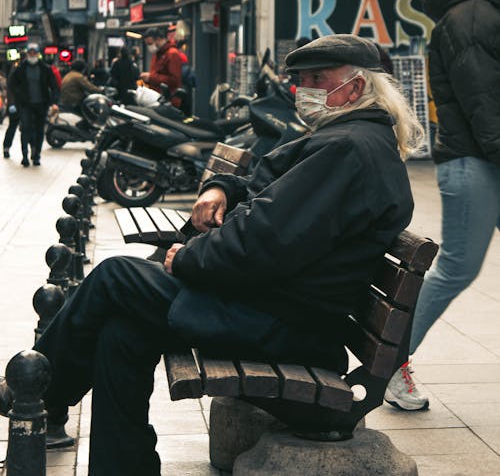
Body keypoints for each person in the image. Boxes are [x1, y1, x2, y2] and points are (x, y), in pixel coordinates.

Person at [0, 34, 425, 475]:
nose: (305, 90)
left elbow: (262, 241)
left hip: (284, 324)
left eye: (319, 79)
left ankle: (38, 396)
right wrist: (220, 187)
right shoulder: (346, 138)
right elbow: (265, 182)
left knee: (114, 276)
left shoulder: (348, 149)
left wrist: (185, 259)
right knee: (121, 333)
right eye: (302, 80)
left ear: (354, 89)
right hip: (273, 307)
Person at [385, 0, 500, 411]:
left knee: (456, 267)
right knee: (456, 268)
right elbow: (484, 102)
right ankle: (390, 364)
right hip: (477, 161)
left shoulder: (485, 5)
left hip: (483, 156)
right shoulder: (472, 12)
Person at [10, 43, 59, 167]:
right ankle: (25, 155)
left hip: (41, 104)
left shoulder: (45, 69)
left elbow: (54, 86)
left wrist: (54, 102)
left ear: (38, 54)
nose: (32, 55)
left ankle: (36, 155)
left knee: (39, 130)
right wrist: (16, 99)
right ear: (27, 54)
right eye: (30, 53)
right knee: (25, 128)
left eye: (34, 53)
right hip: (25, 104)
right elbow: (12, 84)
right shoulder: (20, 69)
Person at [140, 26, 183, 103]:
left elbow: (175, 80)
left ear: (159, 40)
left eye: (150, 43)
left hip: (169, 101)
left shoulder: (172, 54)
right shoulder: (157, 54)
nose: (149, 46)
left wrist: (151, 77)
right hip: (157, 98)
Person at [2, 57, 22, 158]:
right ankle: (6, 147)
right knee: (13, 126)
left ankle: (29, 152)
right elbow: (10, 89)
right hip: (16, 104)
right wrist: (12, 103)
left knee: (26, 128)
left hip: (25, 104)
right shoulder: (16, 69)